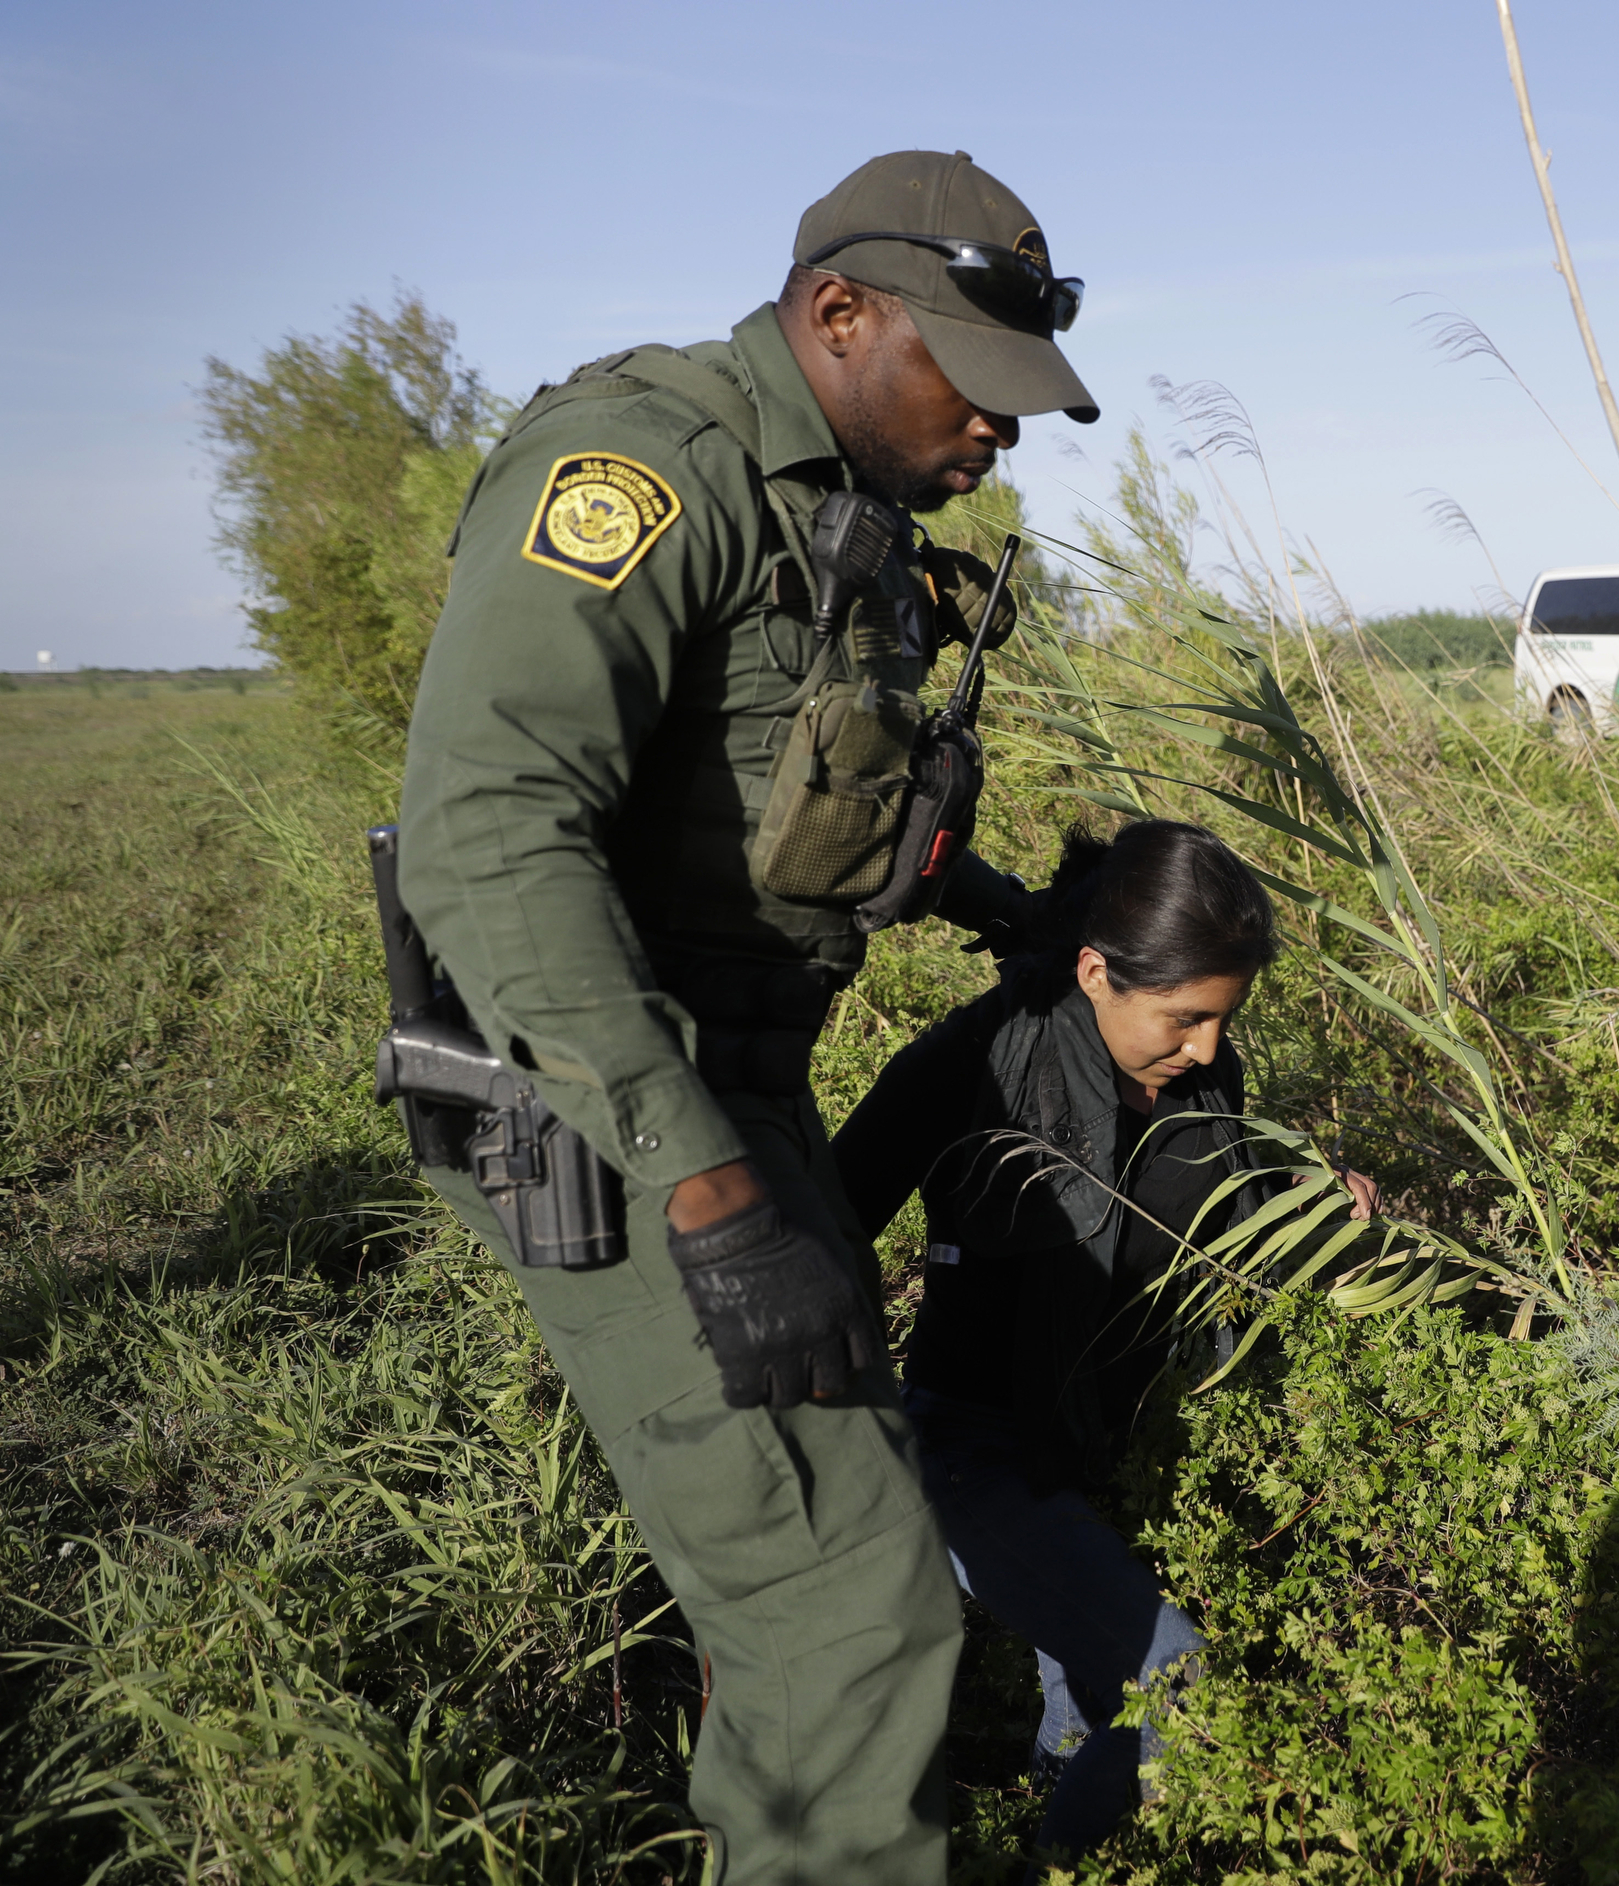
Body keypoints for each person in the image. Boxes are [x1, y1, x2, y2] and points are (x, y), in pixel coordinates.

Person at [393, 150, 1100, 1885]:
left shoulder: (834, 523)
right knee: (850, 1611)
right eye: (974, 383)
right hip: (609, 1105)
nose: (997, 433)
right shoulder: (642, 471)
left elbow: (765, 814)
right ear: (838, 313)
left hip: (730, 1088)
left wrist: (1006, 911)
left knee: (816, 1561)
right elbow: (487, 830)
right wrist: (709, 1198)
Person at [832, 821, 1378, 1867]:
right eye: (1184, 1018)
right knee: (1171, 1681)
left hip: (1087, 1452)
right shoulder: (977, 1062)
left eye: (1221, 1020)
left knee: (1083, 1721)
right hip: (971, 1453)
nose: (1208, 1048)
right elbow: (820, 1224)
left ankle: (1036, 1822)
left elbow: (1233, 1214)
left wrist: (1320, 1206)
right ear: (1094, 970)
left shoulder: (1205, 1076)